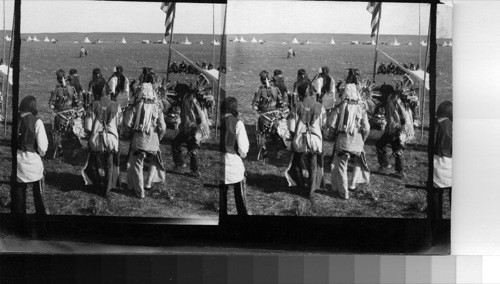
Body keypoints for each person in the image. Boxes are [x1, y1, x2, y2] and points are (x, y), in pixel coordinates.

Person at [122, 74, 170, 199]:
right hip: (153, 138)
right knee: (154, 159)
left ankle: (139, 189)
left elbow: (127, 123)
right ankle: (149, 182)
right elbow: (163, 126)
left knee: (137, 163)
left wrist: (128, 132)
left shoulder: (136, 105)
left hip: (139, 138)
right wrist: (159, 136)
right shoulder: (157, 107)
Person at [328, 84, 370, 199]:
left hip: (343, 141)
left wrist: (332, 134)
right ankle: (353, 184)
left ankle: (343, 190)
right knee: (357, 162)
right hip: (357, 141)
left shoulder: (339, 107)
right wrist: (363, 139)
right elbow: (366, 127)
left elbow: (331, 124)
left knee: (341, 165)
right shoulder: (362, 109)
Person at [285, 84, 327, 198]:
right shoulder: (320, 106)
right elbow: (324, 124)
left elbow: (291, 127)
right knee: (312, 164)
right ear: (311, 93)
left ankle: (301, 186)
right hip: (315, 140)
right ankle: (311, 189)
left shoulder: (296, 105)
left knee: (297, 162)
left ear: (300, 93)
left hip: (299, 140)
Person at [82, 84, 122, 197]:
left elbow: (88, 126)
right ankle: (107, 189)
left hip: (96, 140)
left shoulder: (93, 105)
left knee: (95, 163)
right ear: (110, 93)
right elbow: (119, 123)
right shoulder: (116, 105)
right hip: (111, 140)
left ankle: (97, 186)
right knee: (109, 165)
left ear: (98, 93)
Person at [13, 96, 49, 218]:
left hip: (17, 163)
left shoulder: (15, 119)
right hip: (32, 162)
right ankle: (41, 215)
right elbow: (43, 148)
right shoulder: (36, 122)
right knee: (38, 191)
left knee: (18, 193)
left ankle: (19, 219)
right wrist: (41, 154)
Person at [375, 88, 415, 178]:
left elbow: (399, 116)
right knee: (395, 148)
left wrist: (397, 129)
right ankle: (396, 169)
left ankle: (388, 165)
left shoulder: (393, 100)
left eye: (382, 93)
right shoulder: (397, 99)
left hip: (396, 129)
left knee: (383, 145)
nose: (381, 95)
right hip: (399, 129)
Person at [171, 88, 211, 177]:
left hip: (193, 129)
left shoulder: (190, 100)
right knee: (190, 147)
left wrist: (196, 129)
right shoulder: (190, 99)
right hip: (191, 128)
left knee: (181, 145)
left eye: (178, 93)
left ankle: (181, 163)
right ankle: (192, 169)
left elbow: (198, 115)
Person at [220, 97, 249, 216]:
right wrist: (243, 154)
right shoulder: (237, 123)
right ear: (234, 108)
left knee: (222, 194)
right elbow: (243, 148)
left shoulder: (218, 122)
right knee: (239, 191)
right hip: (232, 162)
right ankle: (242, 214)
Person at [49, 69, 79, 157]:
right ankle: (73, 151)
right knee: (70, 133)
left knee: (58, 133)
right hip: (71, 115)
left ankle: (59, 151)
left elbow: (51, 103)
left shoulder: (56, 89)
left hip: (60, 115)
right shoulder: (72, 88)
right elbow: (76, 102)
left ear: (58, 79)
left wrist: (53, 107)